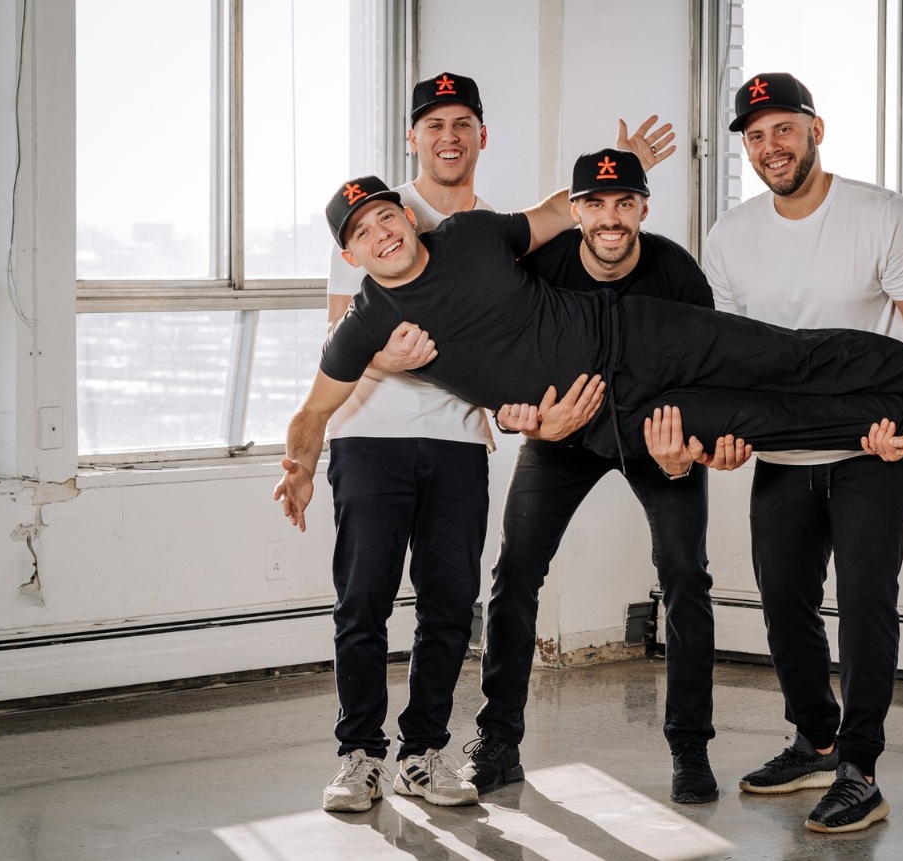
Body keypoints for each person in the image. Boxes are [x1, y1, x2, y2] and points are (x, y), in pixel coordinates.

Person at [274, 161, 903, 536]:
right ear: (351, 254)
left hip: (635, 328)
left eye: (384, 215)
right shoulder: (367, 324)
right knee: (766, 420)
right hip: (617, 412)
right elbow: (313, 413)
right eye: (361, 232)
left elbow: (556, 213)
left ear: (404, 214)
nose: (381, 233)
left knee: (791, 356)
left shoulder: (469, 234)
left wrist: (618, 163)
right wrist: (301, 466)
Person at [696, 72, 903, 835]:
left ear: (817, 129)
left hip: (871, 449)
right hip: (784, 449)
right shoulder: (731, 236)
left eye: (784, 128)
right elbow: (733, 357)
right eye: (755, 135)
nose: (771, 146)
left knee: (867, 604)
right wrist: (725, 434)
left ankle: (858, 766)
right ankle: (815, 737)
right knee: (783, 605)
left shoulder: (881, 216)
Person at [460, 150, 751, 806]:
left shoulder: (676, 272)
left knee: (685, 575)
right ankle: (498, 740)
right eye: (596, 203)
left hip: (657, 437)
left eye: (626, 203)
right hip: (565, 435)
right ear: (577, 208)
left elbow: (710, 374)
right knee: (514, 572)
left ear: (644, 208)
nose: (611, 218)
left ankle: (689, 744)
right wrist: (525, 422)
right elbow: (506, 362)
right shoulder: (545, 264)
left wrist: (690, 451)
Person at [317, 72, 493, 813]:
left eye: (461, 122)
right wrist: (379, 363)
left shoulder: (488, 230)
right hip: (369, 439)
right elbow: (333, 341)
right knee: (363, 602)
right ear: (413, 138)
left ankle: (423, 753)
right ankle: (360, 755)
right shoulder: (370, 222)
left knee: (451, 603)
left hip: (458, 443)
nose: (447, 136)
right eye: (433, 124)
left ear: (481, 133)